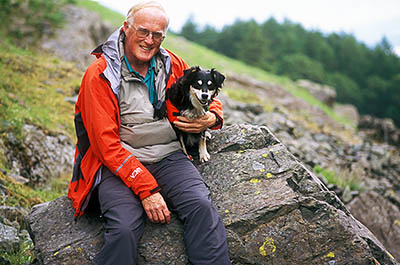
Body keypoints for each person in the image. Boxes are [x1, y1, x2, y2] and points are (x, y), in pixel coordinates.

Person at [67, 1, 231, 264]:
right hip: (116, 165)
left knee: (201, 207)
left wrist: (212, 117)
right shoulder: (100, 74)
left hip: (169, 156)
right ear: (126, 28)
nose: (149, 40)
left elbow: (205, 95)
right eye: (143, 31)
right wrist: (147, 190)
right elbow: (105, 144)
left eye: (157, 35)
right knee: (123, 229)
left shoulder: (171, 63)